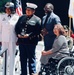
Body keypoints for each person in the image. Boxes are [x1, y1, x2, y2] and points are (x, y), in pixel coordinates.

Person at [15, 2, 41, 75]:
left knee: (31, 59)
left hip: (31, 42)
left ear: (33, 11)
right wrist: (18, 34)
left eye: (29, 10)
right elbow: (17, 27)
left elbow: (37, 31)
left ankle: (32, 72)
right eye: (27, 10)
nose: (27, 11)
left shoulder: (37, 20)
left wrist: (29, 35)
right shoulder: (22, 17)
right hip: (22, 41)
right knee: (22, 58)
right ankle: (23, 73)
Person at [0, 2, 19, 75]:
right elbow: (0, 29)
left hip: (12, 39)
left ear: (12, 9)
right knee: (4, 56)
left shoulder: (16, 17)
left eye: (9, 8)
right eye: (6, 8)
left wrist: (18, 40)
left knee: (12, 56)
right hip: (4, 39)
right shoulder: (2, 17)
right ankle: (4, 72)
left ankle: (11, 73)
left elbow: (17, 29)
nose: (7, 10)